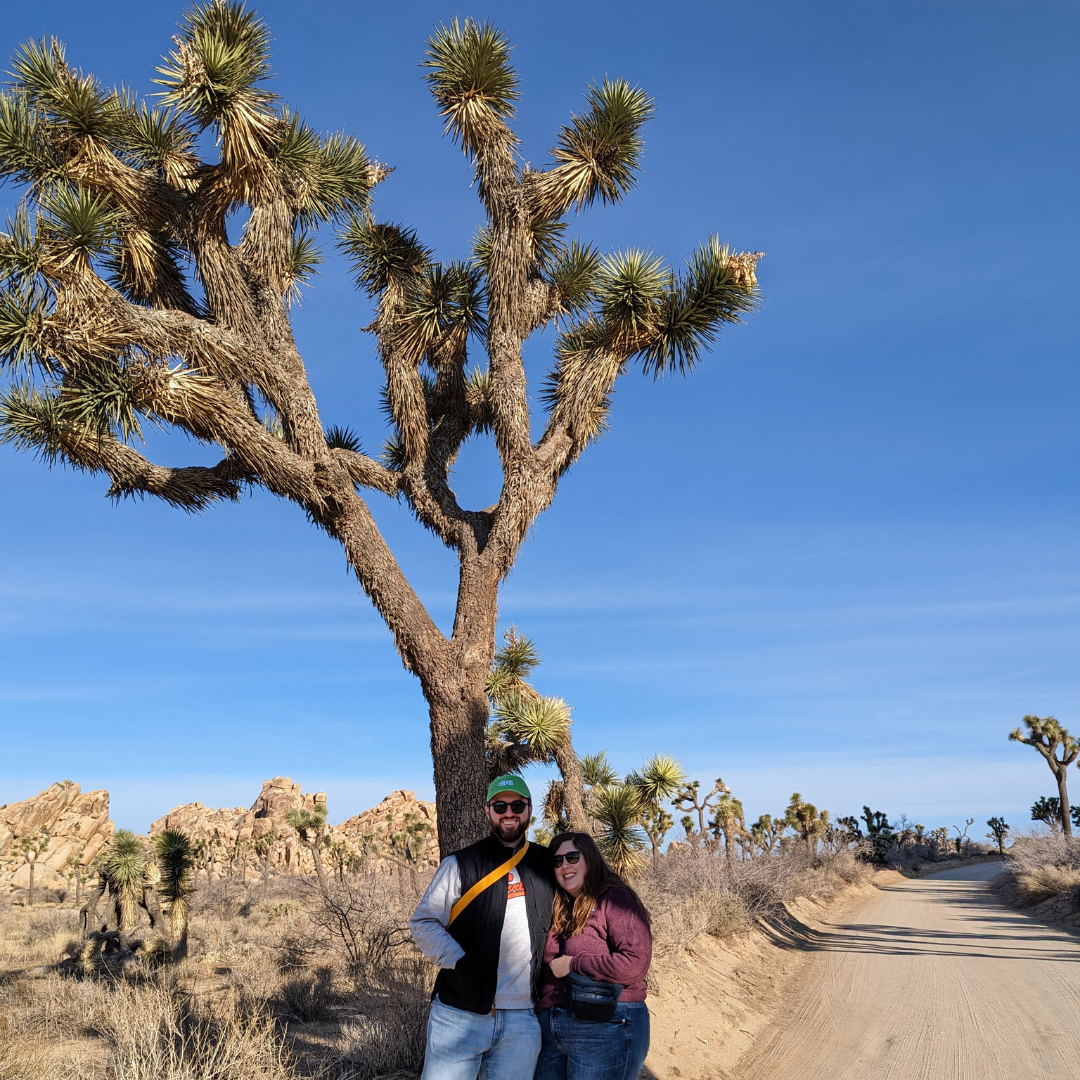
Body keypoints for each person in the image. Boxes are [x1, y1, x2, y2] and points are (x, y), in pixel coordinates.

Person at [410, 774, 556, 1080]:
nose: (509, 813)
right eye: (499, 806)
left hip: (523, 1018)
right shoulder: (460, 863)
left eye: (517, 805)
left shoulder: (547, 864)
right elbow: (423, 921)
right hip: (459, 1013)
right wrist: (459, 962)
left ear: (529, 810)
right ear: (487, 811)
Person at [534, 832, 653, 1080]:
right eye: (557, 861)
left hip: (605, 1028)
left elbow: (634, 963)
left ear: (590, 859)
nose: (564, 865)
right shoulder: (560, 905)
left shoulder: (615, 898)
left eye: (572, 857)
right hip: (552, 1031)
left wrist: (574, 964)